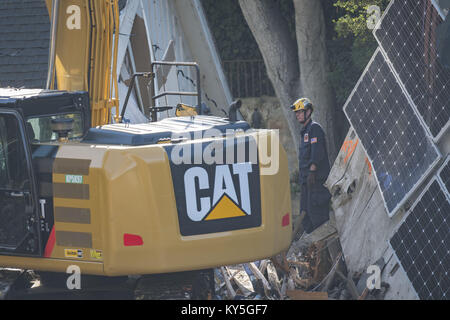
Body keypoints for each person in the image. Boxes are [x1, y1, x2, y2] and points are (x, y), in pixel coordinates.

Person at [290, 97, 331, 234]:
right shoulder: (305, 132)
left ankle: (325, 249)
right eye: (296, 113)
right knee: (305, 216)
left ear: (308, 112)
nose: (298, 115)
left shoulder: (314, 129)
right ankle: (312, 251)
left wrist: (312, 171)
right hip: (306, 183)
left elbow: (317, 152)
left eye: (300, 112)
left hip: (316, 182)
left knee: (318, 216)